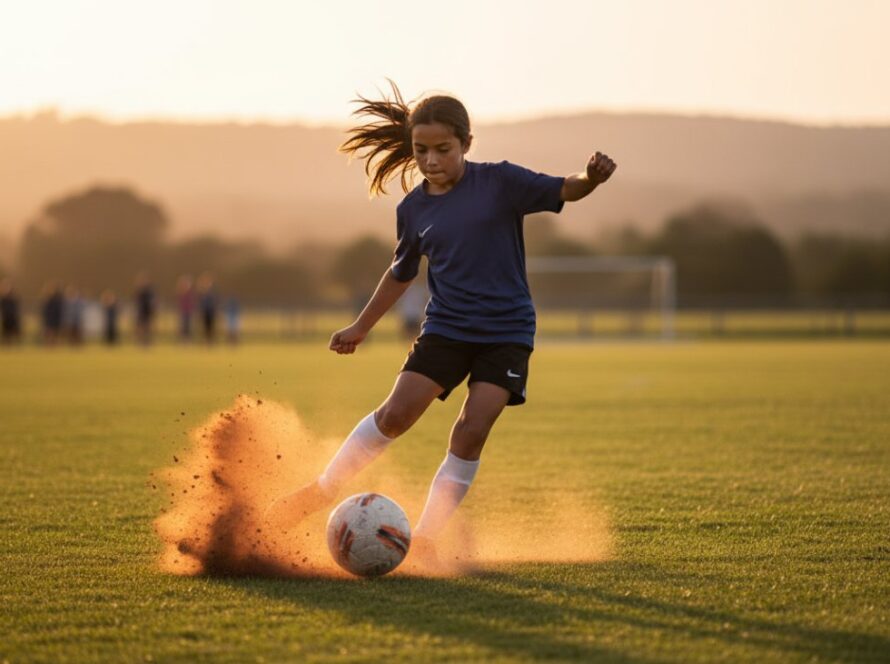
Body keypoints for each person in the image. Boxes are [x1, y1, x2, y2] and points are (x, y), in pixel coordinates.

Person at [266, 82, 616, 566]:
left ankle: (426, 538)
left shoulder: (501, 182)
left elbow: (566, 188)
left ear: (467, 144)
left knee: (471, 430)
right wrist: (360, 327)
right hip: (447, 329)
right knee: (394, 416)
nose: (431, 161)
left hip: (507, 332)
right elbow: (400, 274)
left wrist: (591, 177)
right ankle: (321, 490)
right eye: (421, 151)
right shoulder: (413, 209)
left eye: (442, 150)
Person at [0, 279, 22, 344]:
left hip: (12, 317)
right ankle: (7, 344)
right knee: (6, 333)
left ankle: (13, 344)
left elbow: (15, 308)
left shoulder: (13, 299)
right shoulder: (3, 299)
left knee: (13, 332)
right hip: (6, 318)